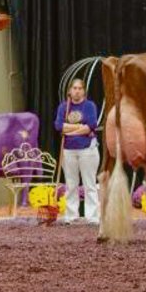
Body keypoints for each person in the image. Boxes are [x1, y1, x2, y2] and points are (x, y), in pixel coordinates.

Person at [54, 78, 100, 225]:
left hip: (87, 150)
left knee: (89, 184)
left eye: (80, 88)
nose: (77, 91)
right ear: (69, 91)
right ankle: (71, 215)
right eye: (74, 88)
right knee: (71, 184)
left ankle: (92, 217)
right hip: (68, 151)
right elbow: (58, 126)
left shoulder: (89, 106)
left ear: (84, 91)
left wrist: (69, 129)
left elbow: (91, 125)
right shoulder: (63, 107)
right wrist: (80, 128)